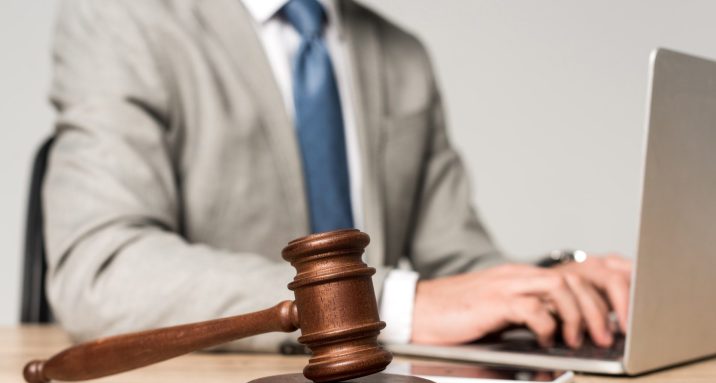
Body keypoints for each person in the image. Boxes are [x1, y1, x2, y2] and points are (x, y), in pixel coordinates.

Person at [44, 0, 631, 353]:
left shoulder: (403, 57)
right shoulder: (121, 20)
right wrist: (389, 303)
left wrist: (557, 286)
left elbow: (456, 270)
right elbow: (101, 268)